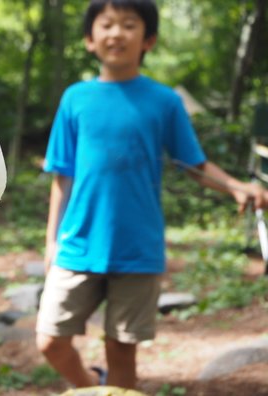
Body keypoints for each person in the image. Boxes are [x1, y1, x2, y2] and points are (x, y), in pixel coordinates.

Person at [35, 0, 268, 390]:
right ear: (90, 40)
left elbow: (193, 164)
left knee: (122, 349)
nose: (116, 33)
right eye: (106, 24)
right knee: (50, 341)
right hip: (77, 244)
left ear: (149, 39)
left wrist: (239, 187)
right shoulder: (75, 98)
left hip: (138, 248)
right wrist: (50, 242)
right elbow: (62, 176)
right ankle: (89, 386)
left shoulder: (164, 101)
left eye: (129, 25)